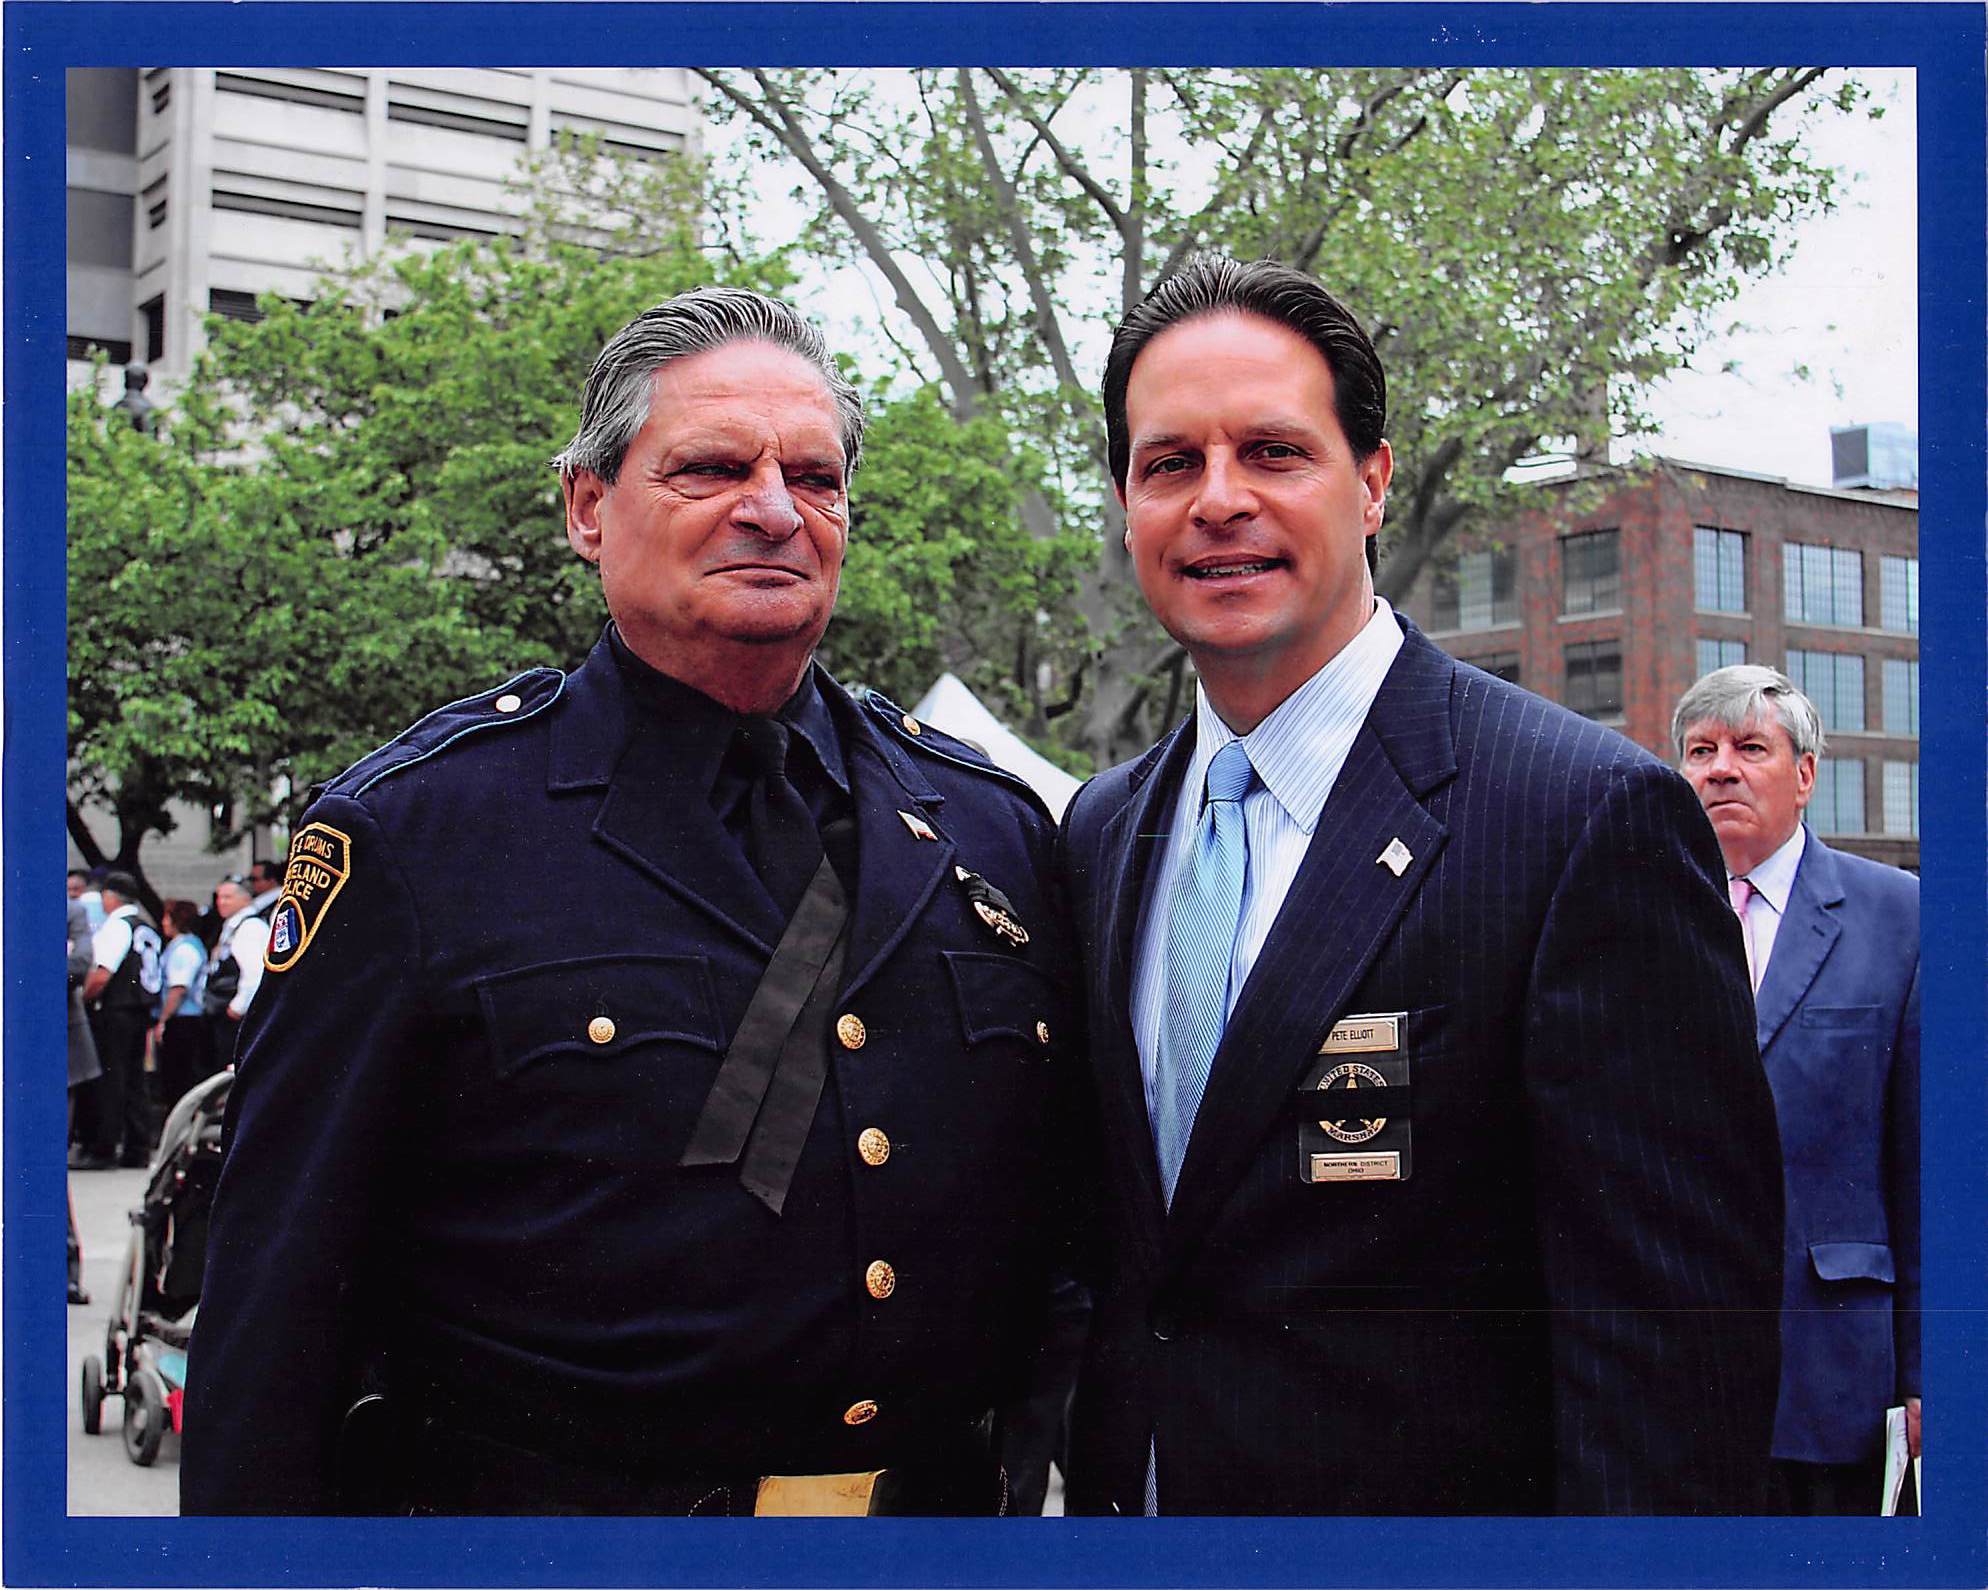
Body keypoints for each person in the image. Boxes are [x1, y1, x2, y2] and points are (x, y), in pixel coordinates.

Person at [183, 285, 1074, 1516]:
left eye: (813, 477)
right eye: (710, 468)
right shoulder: (419, 837)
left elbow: (1063, 1249)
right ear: (588, 507)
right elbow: (278, 1312)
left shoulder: (987, 826)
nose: (772, 509)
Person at [1057, 257, 1784, 1515]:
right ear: (1124, 502)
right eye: (1168, 463)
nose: (1216, 501)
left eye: (1273, 453)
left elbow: (1670, 1357)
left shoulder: (1578, 820)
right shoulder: (1101, 831)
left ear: (1373, 482)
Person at [1673, 664, 1920, 1514]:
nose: (1721, 769)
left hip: (1836, 1371)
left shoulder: (1901, 918)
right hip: (1677, 1376)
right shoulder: (1638, 914)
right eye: (1700, 751)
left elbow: (1928, 1166)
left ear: (1805, 774)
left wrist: (1936, 1373)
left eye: (1749, 747)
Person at [80, 872, 164, 1169]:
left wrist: (84, 999)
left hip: (116, 1009)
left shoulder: (117, 926)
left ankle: (105, 1147)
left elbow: (103, 972)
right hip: (139, 1008)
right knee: (134, 1079)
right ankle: (137, 1147)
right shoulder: (145, 926)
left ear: (111, 895)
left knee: (111, 1077)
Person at [67, 893, 103, 1300]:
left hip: (58, 1057)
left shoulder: (70, 911)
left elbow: (78, 966)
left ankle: (65, 1271)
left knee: (46, 1168)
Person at [152, 899, 215, 1113]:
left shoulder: (184, 949)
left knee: (179, 1077)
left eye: (167, 917)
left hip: (183, 1020)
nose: (163, 922)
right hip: (184, 1019)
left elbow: (178, 988)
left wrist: (163, 1019)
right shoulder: (182, 945)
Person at [202, 875, 268, 1066]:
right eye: (219, 897)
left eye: (228, 897)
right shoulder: (232, 925)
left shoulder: (249, 927)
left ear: (245, 898)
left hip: (235, 1013)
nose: (221, 902)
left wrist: (238, 1006)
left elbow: (254, 973)